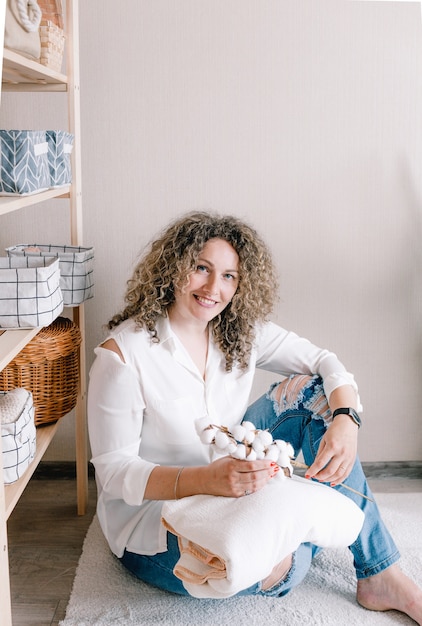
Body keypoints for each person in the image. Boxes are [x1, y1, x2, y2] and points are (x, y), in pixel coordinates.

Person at [87, 211, 422, 623]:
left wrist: (347, 419)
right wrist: (206, 480)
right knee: (277, 569)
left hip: (234, 474)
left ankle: (380, 573)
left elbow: (323, 361)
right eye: (201, 268)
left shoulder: (239, 331)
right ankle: (299, 527)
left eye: (229, 276)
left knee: (315, 393)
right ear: (174, 268)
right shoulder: (122, 356)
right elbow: (114, 473)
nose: (214, 288)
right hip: (156, 520)